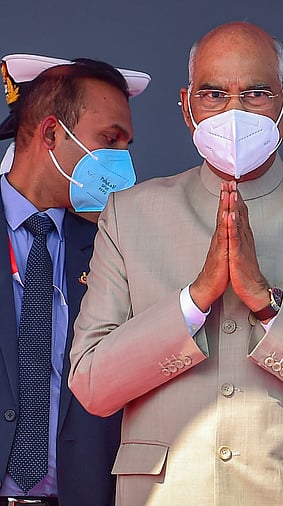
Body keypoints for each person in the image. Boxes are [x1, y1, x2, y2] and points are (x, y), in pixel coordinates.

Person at [68, 21, 283, 505]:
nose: (234, 111)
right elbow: (92, 384)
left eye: (257, 93)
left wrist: (265, 302)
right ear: (186, 106)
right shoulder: (129, 215)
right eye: (213, 94)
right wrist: (194, 300)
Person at [0, 54, 149, 505]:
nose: (122, 161)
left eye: (126, 144)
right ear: (51, 133)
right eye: (110, 140)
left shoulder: (118, 245)